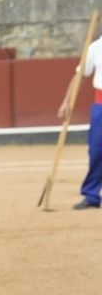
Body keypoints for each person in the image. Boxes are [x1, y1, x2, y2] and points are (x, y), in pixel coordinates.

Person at [57, 32, 102, 209]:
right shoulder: (96, 47)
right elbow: (80, 75)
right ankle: (91, 195)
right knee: (97, 150)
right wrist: (67, 101)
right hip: (101, 104)